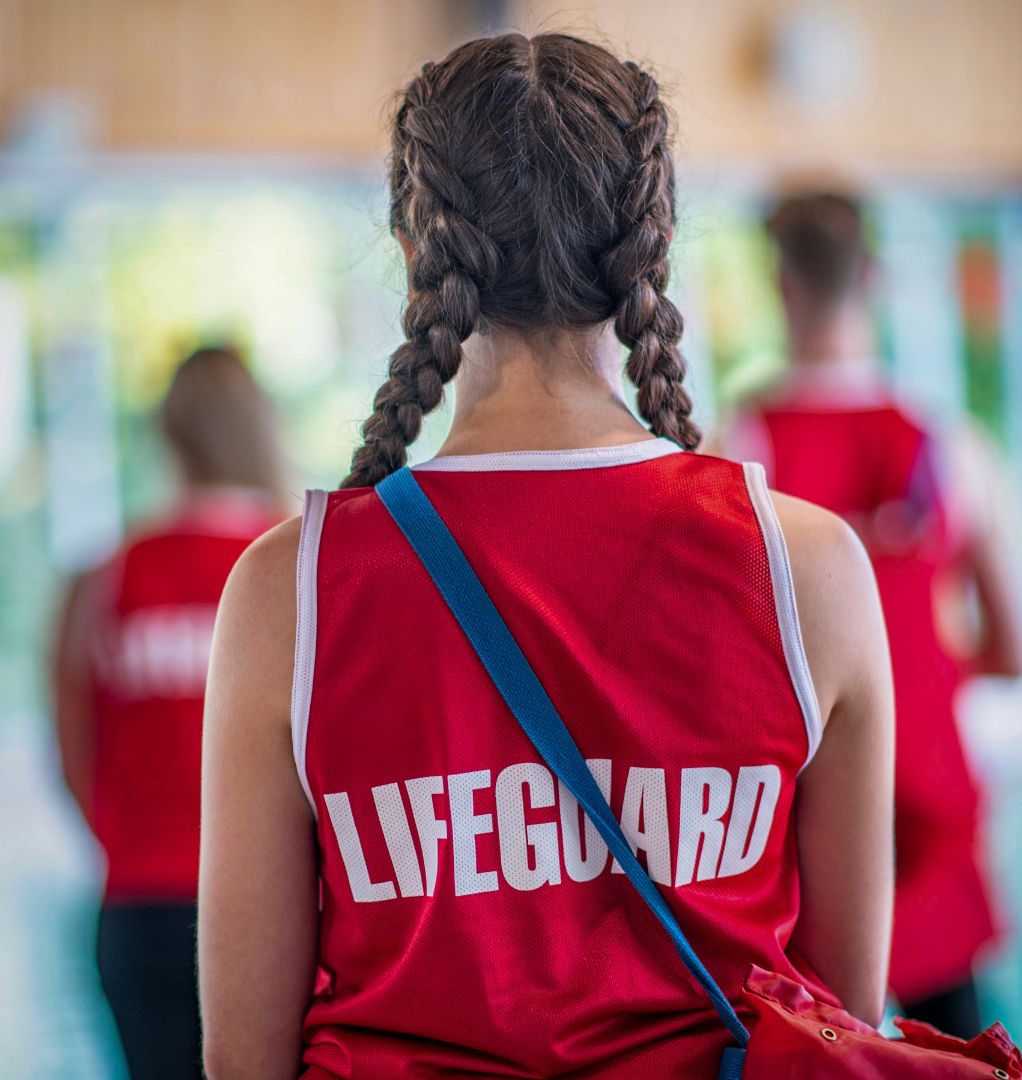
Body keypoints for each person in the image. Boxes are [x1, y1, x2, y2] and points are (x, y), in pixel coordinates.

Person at [198, 35, 894, 1079]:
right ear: (651, 238)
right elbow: (841, 1023)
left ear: (411, 243)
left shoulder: (286, 593)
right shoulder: (811, 570)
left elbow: (244, 1061)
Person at [720, 192, 1022, 1037]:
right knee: (962, 1045)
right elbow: (1017, 646)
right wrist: (916, 675)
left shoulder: (741, 453)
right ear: (876, 279)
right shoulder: (950, 445)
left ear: (779, 284)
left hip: (803, 813)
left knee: (822, 1040)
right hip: (930, 802)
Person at [52, 346, 285, 1080]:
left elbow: (73, 751)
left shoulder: (104, 578)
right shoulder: (298, 567)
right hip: (274, 915)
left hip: (137, 908)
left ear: (169, 434)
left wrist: (134, 841)